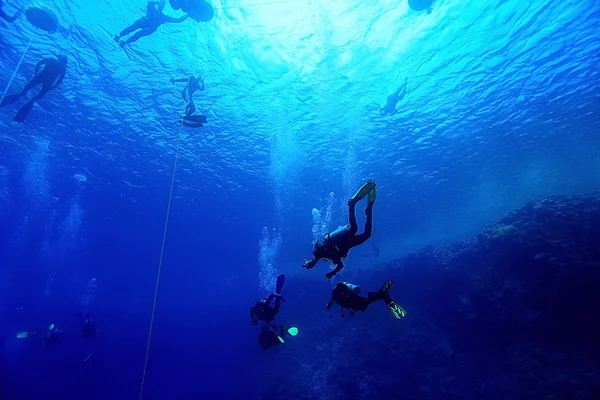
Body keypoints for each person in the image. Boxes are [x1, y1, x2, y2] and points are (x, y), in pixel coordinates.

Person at [302, 180, 376, 279]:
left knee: (354, 228)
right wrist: (331, 272)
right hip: (346, 245)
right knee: (367, 234)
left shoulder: (320, 255)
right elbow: (339, 265)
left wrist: (331, 273)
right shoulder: (331, 257)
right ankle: (369, 209)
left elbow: (315, 263)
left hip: (338, 242)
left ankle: (352, 204)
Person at [0, 54, 67, 122]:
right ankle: (24, 109)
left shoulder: (52, 60)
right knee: (34, 99)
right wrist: (53, 87)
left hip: (40, 77)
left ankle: (19, 97)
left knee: (24, 92)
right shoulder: (63, 68)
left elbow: (39, 63)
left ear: (59, 58)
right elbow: (59, 80)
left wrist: (35, 73)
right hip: (47, 83)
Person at [113, 0, 188, 47]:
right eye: (160, 3)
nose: (161, 5)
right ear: (158, 4)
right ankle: (119, 35)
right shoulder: (154, 9)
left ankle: (125, 42)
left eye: (162, 4)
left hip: (150, 27)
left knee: (139, 34)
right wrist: (158, 2)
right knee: (132, 27)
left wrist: (186, 15)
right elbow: (150, 3)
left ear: (163, 6)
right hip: (144, 21)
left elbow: (178, 20)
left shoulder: (164, 17)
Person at [326, 280, 406, 319]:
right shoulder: (339, 290)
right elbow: (353, 293)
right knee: (368, 300)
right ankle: (380, 295)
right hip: (356, 302)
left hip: (355, 304)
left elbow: (332, 301)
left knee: (368, 301)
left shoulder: (335, 293)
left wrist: (328, 307)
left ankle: (382, 295)